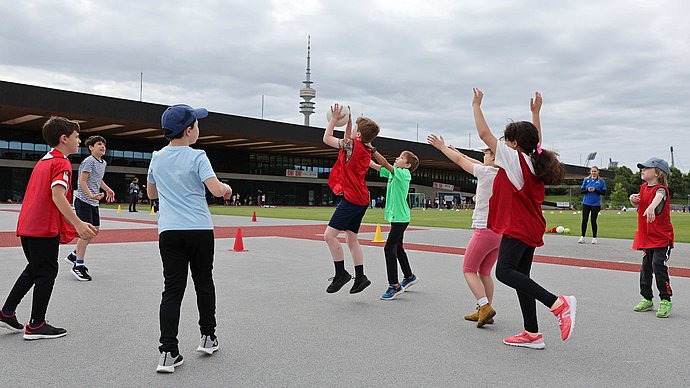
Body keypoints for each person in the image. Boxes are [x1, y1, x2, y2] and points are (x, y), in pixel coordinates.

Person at [472, 88, 575, 349]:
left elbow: (485, 134)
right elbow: (536, 142)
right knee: (522, 277)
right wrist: (535, 114)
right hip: (530, 226)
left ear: (515, 144)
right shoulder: (533, 159)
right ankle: (532, 333)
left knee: (505, 272)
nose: (503, 146)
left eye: (507, 141)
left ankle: (557, 303)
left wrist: (476, 105)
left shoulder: (516, 159)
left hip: (519, 227)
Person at [147, 104, 232, 373]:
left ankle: (167, 351)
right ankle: (208, 336)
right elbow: (217, 190)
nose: (199, 128)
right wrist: (227, 188)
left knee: (172, 289)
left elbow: (151, 194)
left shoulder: (157, 157)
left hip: (169, 230)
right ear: (189, 130)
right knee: (203, 282)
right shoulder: (198, 156)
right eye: (197, 124)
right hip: (198, 229)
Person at [0, 117, 97, 339]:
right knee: (46, 272)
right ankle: (36, 325)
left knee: (34, 269)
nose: (79, 141)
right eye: (76, 137)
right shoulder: (61, 163)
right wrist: (78, 223)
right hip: (43, 228)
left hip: (27, 225)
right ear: (64, 138)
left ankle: (6, 312)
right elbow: (57, 195)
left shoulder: (43, 161)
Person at [428, 135, 501, 328]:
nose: (483, 156)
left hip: (483, 229)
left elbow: (461, 162)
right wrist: (458, 151)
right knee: (484, 271)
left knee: (468, 269)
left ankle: (484, 306)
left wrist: (442, 147)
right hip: (500, 233)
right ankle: (486, 310)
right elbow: (473, 161)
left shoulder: (485, 173)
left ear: (493, 157)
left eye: (486, 153)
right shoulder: (504, 175)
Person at [322, 104, 380, 294]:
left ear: (359, 135)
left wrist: (333, 119)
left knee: (329, 236)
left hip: (352, 199)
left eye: (355, 128)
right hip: (362, 198)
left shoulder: (352, 145)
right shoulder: (364, 148)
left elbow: (327, 138)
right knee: (351, 239)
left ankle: (341, 274)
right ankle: (361, 277)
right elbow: (349, 139)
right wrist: (348, 123)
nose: (353, 130)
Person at [369, 150, 420, 300]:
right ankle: (409, 276)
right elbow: (377, 166)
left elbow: (384, 163)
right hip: (396, 217)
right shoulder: (393, 173)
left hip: (401, 218)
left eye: (400, 158)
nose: (397, 158)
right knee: (397, 247)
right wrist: (360, 153)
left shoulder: (404, 173)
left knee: (388, 248)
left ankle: (394, 285)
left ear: (408, 164)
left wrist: (373, 150)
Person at [65, 135, 115, 281]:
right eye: (99, 144)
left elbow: (98, 179)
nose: (103, 146)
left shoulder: (103, 162)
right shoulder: (89, 161)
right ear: (91, 148)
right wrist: (91, 195)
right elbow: (82, 181)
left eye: (104, 144)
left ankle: (74, 255)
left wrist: (107, 189)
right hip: (83, 201)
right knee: (86, 234)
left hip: (93, 202)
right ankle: (78, 265)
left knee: (95, 230)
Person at [630, 158, 674, 318]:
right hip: (646, 237)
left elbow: (658, 196)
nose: (642, 170)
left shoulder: (662, 189)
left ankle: (666, 299)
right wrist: (634, 201)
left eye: (646, 168)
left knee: (658, 266)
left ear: (657, 172)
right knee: (645, 268)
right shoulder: (643, 187)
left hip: (662, 237)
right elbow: (641, 206)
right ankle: (647, 298)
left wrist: (651, 207)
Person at [578, 166, 606, 244]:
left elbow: (603, 192)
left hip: (596, 204)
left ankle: (594, 238)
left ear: (598, 172)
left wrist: (595, 190)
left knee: (593, 220)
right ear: (590, 172)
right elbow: (582, 191)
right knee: (584, 220)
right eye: (592, 171)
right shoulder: (586, 180)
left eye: (595, 171)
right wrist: (587, 190)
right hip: (586, 203)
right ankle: (582, 236)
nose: (593, 173)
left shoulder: (601, 181)